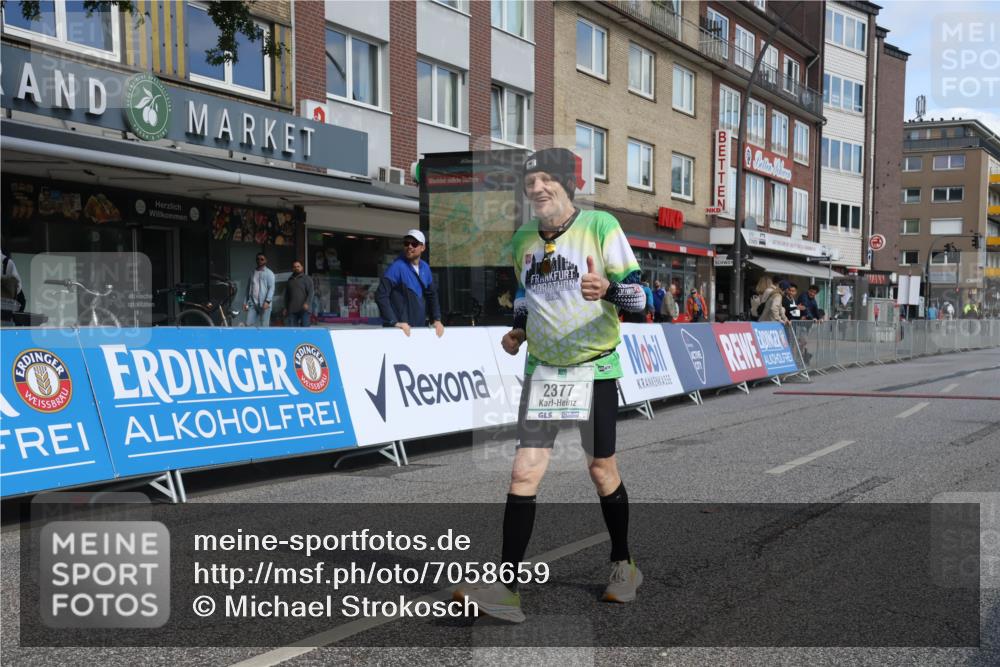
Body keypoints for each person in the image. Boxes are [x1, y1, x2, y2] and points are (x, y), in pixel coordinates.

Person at [456, 147, 645, 622]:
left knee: (601, 470)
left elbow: (642, 299)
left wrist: (609, 290)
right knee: (523, 473)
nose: (537, 188)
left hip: (593, 368)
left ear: (567, 184)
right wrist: (518, 329)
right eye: (530, 182)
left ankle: (623, 565)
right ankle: (506, 588)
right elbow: (525, 293)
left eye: (546, 179)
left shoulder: (600, 226)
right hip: (543, 371)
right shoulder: (523, 238)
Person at [374, 229, 444, 337]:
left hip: (418, 329)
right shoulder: (397, 267)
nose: (409, 246)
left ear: (423, 247)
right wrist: (394, 322)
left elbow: (432, 295)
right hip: (400, 332)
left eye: (414, 244)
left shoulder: (425, 267)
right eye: (407, 243)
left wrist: (436, 320)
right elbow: (381, 295)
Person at [244, 252, 275, 326]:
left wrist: (267, 301)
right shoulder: (252, 273)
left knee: (264, 326)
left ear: (266, 260)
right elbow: (248, 288)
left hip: (264, 303)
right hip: (253, 303)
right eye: (258, 259)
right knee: (248, 324)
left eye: (262, 259)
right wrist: (245, 302)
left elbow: (271, 288)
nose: (259, 261)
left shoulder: (269, 273)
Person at [282, 259, 314, 327]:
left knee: (305, 331)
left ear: (302, 267)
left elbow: (311, 292)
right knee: (293, 331)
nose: (296, 268)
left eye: (298, 266)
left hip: (304, 310)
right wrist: (285, 308)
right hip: (292, 310)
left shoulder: (307, 278)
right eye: (294, 267)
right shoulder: (290, 280)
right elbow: (286, 296)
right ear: (292, 268)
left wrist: (307, 303)